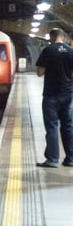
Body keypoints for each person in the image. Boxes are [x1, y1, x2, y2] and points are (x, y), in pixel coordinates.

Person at [35, 28, 73, 167]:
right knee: (68, 126)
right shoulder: (70, 51)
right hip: (67, 94)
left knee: (52, 127)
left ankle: (53, 159)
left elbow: (40, 72)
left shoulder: (48, 50)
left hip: (51, 95)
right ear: (63, 37)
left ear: (51, 37)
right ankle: (70, 159)